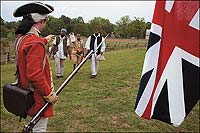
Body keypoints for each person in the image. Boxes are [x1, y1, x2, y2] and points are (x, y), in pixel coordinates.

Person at [13, 2, 58, 132]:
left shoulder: (21, 39)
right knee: (39, 129)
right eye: (46, 20)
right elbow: (35, 75)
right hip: (37, 95)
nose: (46, 23)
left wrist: (45, 39)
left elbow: (31, 44)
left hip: (25, 92)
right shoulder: (35, 43)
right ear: (41, 21)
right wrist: (48, 93)